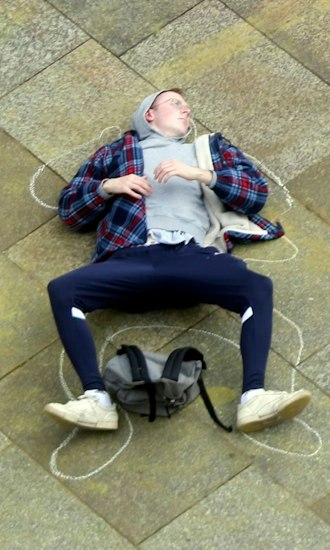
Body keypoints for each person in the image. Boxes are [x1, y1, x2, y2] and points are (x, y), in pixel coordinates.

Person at [45, 90, 311, 432]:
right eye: (174, 103)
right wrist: (109, 186)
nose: (186, 109)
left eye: (186, 105)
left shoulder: (211, 150)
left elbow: (255, 195)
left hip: (193, 256)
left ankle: (253, 399)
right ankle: (96, 400)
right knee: (63, 290)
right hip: (133, 255)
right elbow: (70, 211)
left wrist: (203, 175)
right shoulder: (118, 152)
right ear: (149, 115)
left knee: (257, 287)